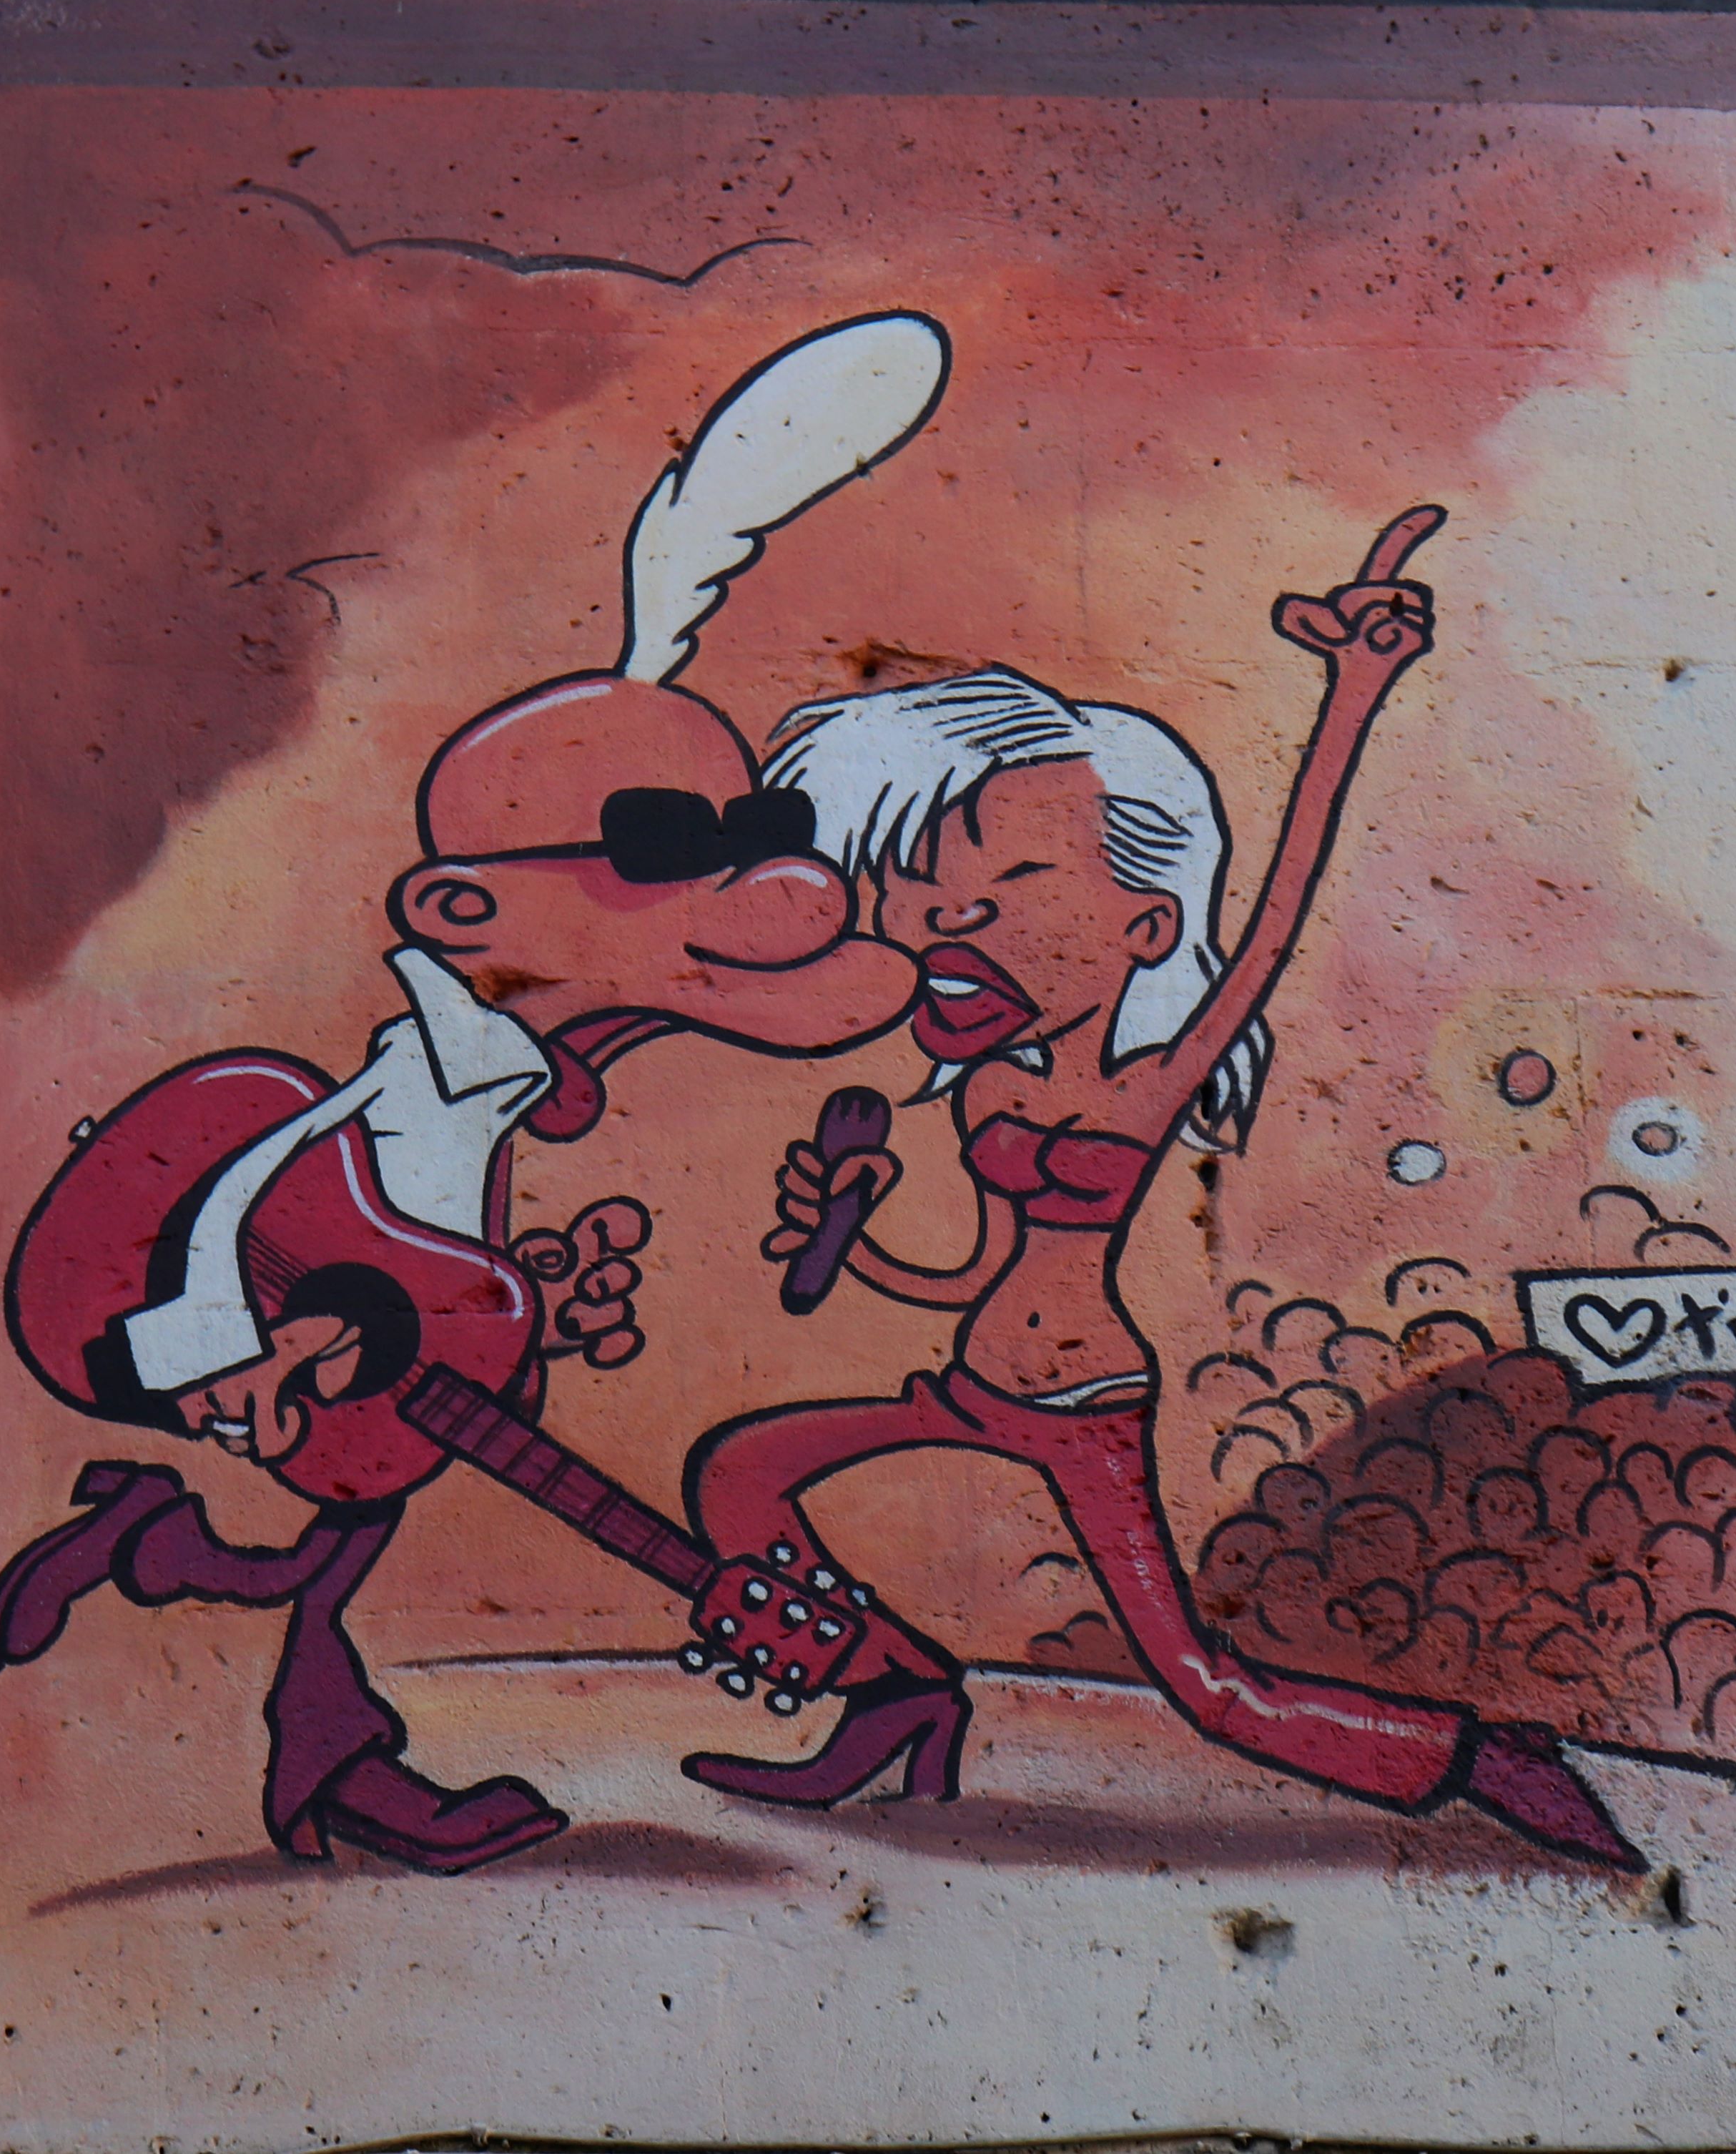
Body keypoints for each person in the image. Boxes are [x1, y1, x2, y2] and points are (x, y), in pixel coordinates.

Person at [0, 315, 947, 1874]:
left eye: (752, 835)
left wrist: (491, 1299)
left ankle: (215, 1622)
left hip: (343, 1309)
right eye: (665, 848)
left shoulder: (508, 1064)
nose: (768, 883)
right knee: (345, 1504)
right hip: (198, 1306)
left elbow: (776, 997)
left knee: (344, 1513)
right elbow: (261, 1196)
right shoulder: (436, 1079)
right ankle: (277, 1689)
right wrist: (238, 1351)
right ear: (463, 912)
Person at [677, 508, 1647, 1872]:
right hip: (979, 1384)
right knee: (738, 1473)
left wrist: (1353, 688)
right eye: (916, 896)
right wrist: (850, 1231)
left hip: (1084, 1407)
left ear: (1143, 924)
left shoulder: (1142, 1085)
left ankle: (1477, 1759)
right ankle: (894, 1690)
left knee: (1203, 1686)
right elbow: (974, 1274)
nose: (942, 923)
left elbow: (1276, 915)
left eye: (1005, 890)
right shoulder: (993, 1089)